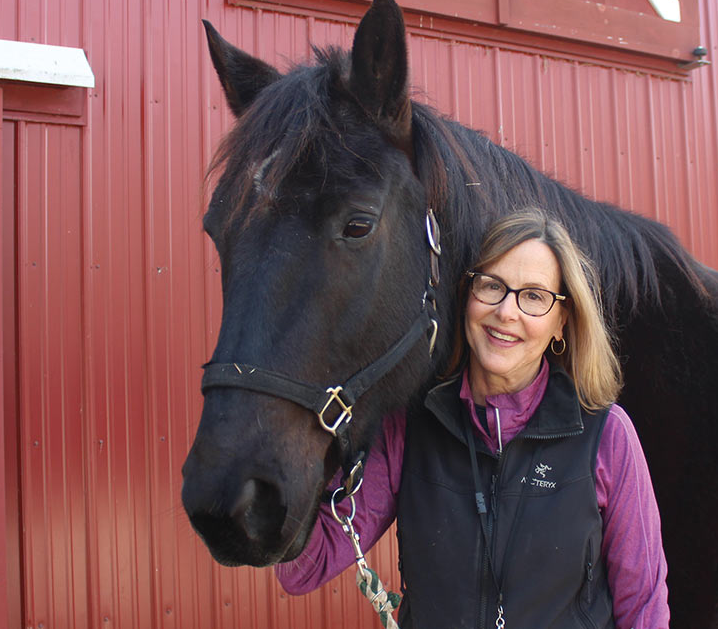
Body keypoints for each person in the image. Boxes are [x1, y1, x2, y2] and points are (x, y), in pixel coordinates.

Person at [276, 209, 670, 628]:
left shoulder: (606, 436)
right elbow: (303, 567)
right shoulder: (409, 427)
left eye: (534, 296)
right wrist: (287, 429)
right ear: (466, 299)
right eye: (492, 286)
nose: (506, 312)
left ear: (562, 322)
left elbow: (643, 606)